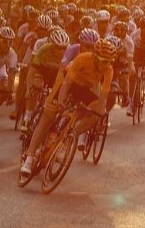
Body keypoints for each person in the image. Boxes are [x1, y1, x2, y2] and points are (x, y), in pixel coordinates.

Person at [21, 37, 116, 177]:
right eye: (102, 61)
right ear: (95, 56)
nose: (104, 65)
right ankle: (29, 158)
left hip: (83, 89)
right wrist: (60, 102)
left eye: (107, 62)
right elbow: (66, 83)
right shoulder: (83, 59)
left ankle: (70, 135)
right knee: (48, 116)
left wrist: (100, 113)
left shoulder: (108, 70)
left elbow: (103, 94)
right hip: (67, 84)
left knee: (95, 113)